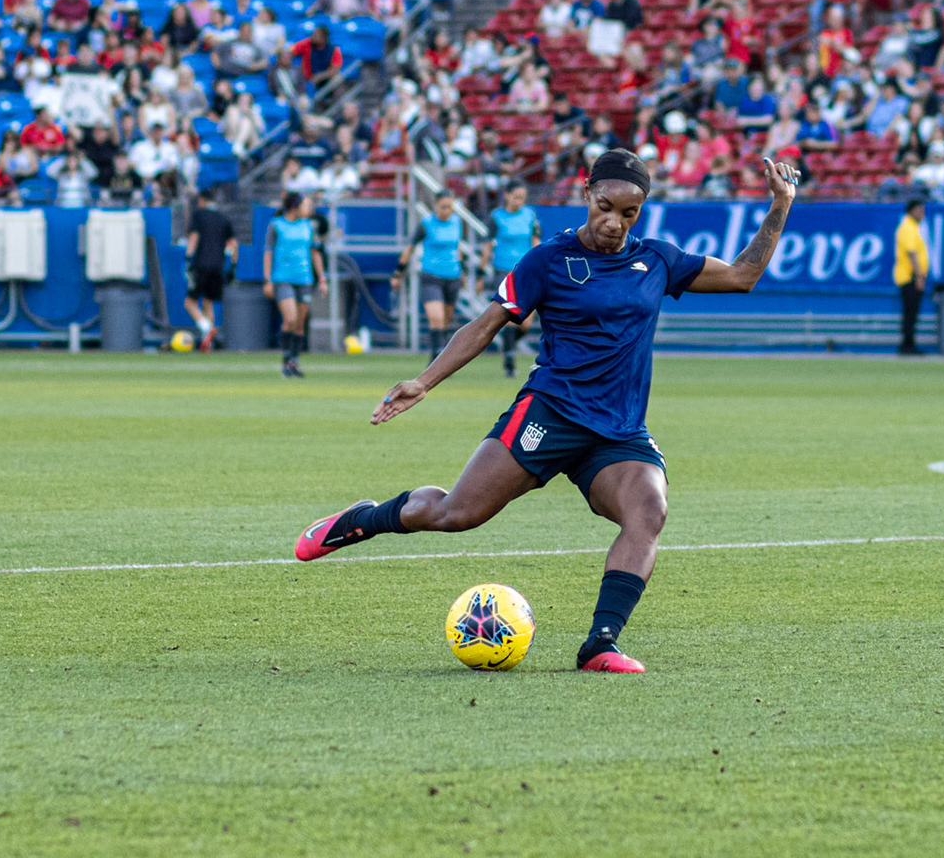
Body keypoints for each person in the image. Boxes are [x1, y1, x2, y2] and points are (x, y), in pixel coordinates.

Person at [293, 151, 800, 675]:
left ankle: (600, 645)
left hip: (618, 432)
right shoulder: (548, 259)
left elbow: (742, 275)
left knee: (648, 512)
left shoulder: (658, 260)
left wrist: (780, 204)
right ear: (586, 193)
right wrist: (424, 380)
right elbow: (487, 324)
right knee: (456, 514)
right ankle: (363, 518)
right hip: (550, 415)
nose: (614, 222)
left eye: (629, 213)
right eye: (605, 207)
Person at [393, 191, 470, 359]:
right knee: (436, 317)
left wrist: (463, 271)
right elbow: (409, 248)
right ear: (436, 206)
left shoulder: (456, 222)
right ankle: (436, 358)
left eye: (450, 207)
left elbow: (458, 248)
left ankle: (441, 357)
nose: (447, 211)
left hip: (453, 276)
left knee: (446, 320)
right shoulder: (426, 224)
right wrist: (398, 273)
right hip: (431, 276)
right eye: (443, 207)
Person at [263, 191, 325, 378]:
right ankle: (285, 361)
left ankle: (294, 362)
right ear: (294, 207)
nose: (309, 209)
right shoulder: (276, 225)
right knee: (290, 318)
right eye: (305, 205)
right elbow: (268, 253)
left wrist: (322, 278)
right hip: (282, 278)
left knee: (299, 323)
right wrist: (267, 280)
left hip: (304, 278)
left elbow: (315, 253)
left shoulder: (309, 226)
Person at [488, 182, 542, 376]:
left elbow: (536, 242)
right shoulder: (496, 217)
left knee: (525, 322)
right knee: (511, 316)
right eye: (516, 196)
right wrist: (480, 272)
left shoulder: (530, 216)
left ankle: (507, 342)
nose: (519, 201)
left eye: (522, 197)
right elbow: (488, 244)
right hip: (503, 271)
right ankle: (509, 362)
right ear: (507, 195)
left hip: (526, 270)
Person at [183, 189, 237, 353]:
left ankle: (207, 329)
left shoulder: (199, 215)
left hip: (201, 264)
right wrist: (233, 266)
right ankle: (209, 344)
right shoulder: (224, 219)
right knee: (208, 302)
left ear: (201, 200)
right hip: (218, 266)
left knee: (190, 302)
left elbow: (194, 237)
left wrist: (188, 257)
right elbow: (234, 244)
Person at [893, 197, 929, 355]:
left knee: (911, 313)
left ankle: (909, 344)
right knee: (910, 313)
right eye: (920, 210)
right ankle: (907, 345)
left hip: (911, 276)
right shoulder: (908, 227)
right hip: (910, 276)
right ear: (912, 210)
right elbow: (912, 253)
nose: (922, 214)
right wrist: (919, 276)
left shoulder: (912, 227)